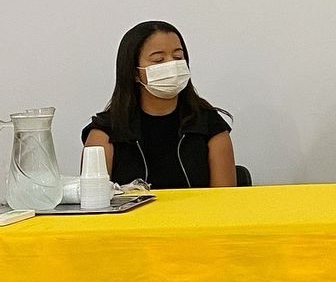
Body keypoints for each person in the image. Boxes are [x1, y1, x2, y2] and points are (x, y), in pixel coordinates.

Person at [83, 21, 237, 187]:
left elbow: (224, 197)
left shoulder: (209, 125)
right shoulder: (104, 133)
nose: (171, 66)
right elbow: (94, 199)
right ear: (134, 72)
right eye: (158, 60)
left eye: (178, 57)